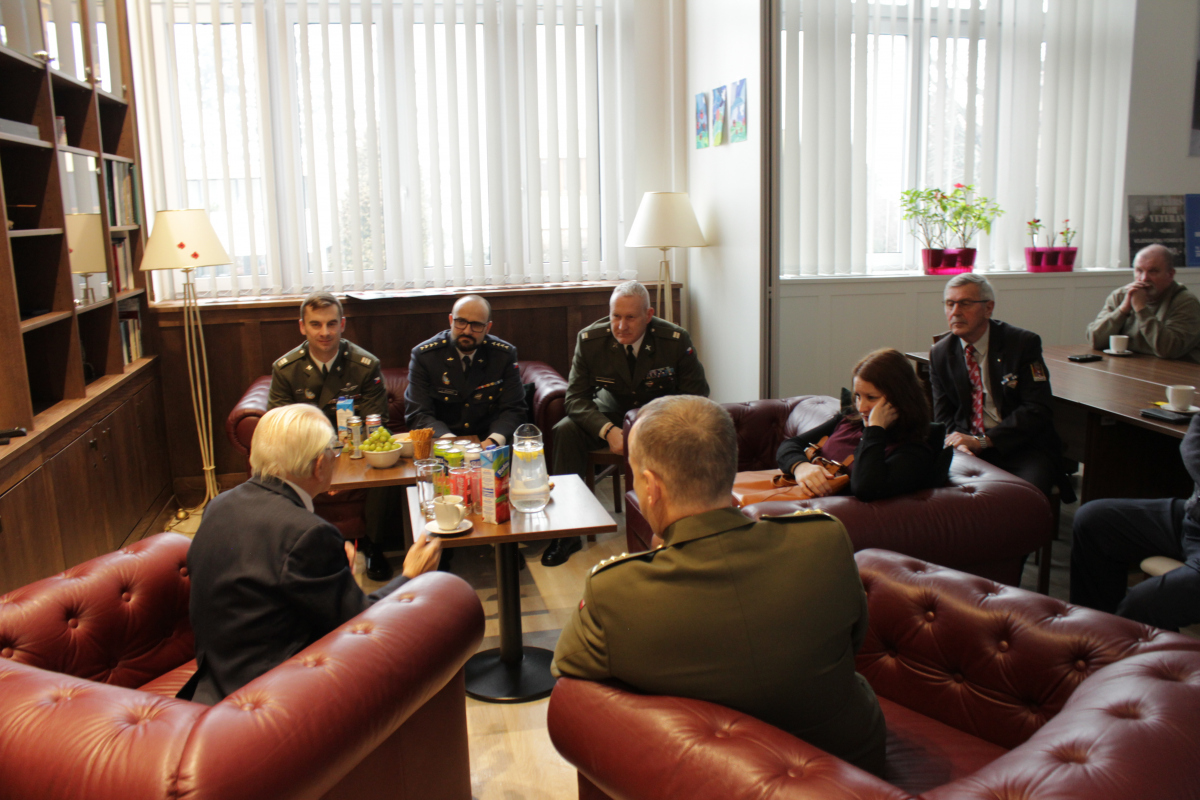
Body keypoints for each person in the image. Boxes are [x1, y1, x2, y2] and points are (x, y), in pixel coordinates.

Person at [552, 395, 886, 776]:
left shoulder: (615, 591)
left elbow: (569, 668)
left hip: (713, 779)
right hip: (854, 767)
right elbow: (854, 640)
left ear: (651, 486)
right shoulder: (824, 539)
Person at [180, 404, 442, 705]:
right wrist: (410, 577)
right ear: (319, 466)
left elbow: (260, 585)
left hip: (214, 682)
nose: (336, 456)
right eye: (334, 449)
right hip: (272, 699)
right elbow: (358, 628)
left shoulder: (219, 504)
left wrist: (329, 569)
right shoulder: (308, 533)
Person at [544, 280, 709, 566]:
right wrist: (607, 431)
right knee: (565, 430)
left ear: (648, 315)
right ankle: (566, 532)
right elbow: (575, 399)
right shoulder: (591, 340)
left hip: (659, 418)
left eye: (630, 317)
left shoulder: (674, 340)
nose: (621, 326)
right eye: (615, 316)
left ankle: (678, 523)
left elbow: (696, 395)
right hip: (612, 415)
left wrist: (656, 426)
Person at [267, 291, 394, 581]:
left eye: (331, 324)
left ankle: (374, 545)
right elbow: (280, 428)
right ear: (303, 327)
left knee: (386, 465)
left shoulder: (365, 365)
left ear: (342, 325)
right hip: (306, 454)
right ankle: (297, 547)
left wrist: (342, 467)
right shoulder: (286, 369)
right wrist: (322, 468)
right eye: (316, 324)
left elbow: (377, 424)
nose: (324, 332)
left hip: (355, 452)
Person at [929, 273, 1073, 501]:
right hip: (968, 447)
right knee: (946, 499)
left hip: (1021, 447)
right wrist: (959, 444)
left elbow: (1037, 409)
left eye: (965, 303)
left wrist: (984, 441)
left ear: (988, 308)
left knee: (1022, 499)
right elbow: (943, 415)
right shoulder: (940, 353)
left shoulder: (1022, 344)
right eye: (949, 304)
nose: (955, 311)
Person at [1070, 414, 1200, 630]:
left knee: (1143, 604)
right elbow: (1194, 440)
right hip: (1193, 519)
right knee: (1093, 521)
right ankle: (1093, 633)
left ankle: (1121, 645)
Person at [776, 348, 949, 502]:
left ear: (899, 399)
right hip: (792, 500)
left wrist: (875, 429)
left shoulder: (914, 451)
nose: (861, 407)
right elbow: (790, 445)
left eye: (871, 398)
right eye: (858, 396)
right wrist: (801, 467)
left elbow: (865, 487)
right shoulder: (849, 420)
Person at [404, 294, 526, 446]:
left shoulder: (503, 356)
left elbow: (514, 409)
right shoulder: (425, 356)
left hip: (489, 442)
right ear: (451, 320)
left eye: (476, 325)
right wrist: (450, 442)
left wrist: (494, 440)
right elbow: (418, 413)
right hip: (443, 443)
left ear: (487, 328)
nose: (467, 331)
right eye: (461, 322)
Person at [1085, 244, 1200, 362]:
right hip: (1131, 366)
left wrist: (1140, 309)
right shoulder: (1121, 296)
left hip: (1176, 370)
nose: (1144, 278)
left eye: (1153, 271)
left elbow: (1169, 350)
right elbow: (1095, 340)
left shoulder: (1185, 302)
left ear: (1170, 274)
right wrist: (1123, 310)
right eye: (1139, 271)